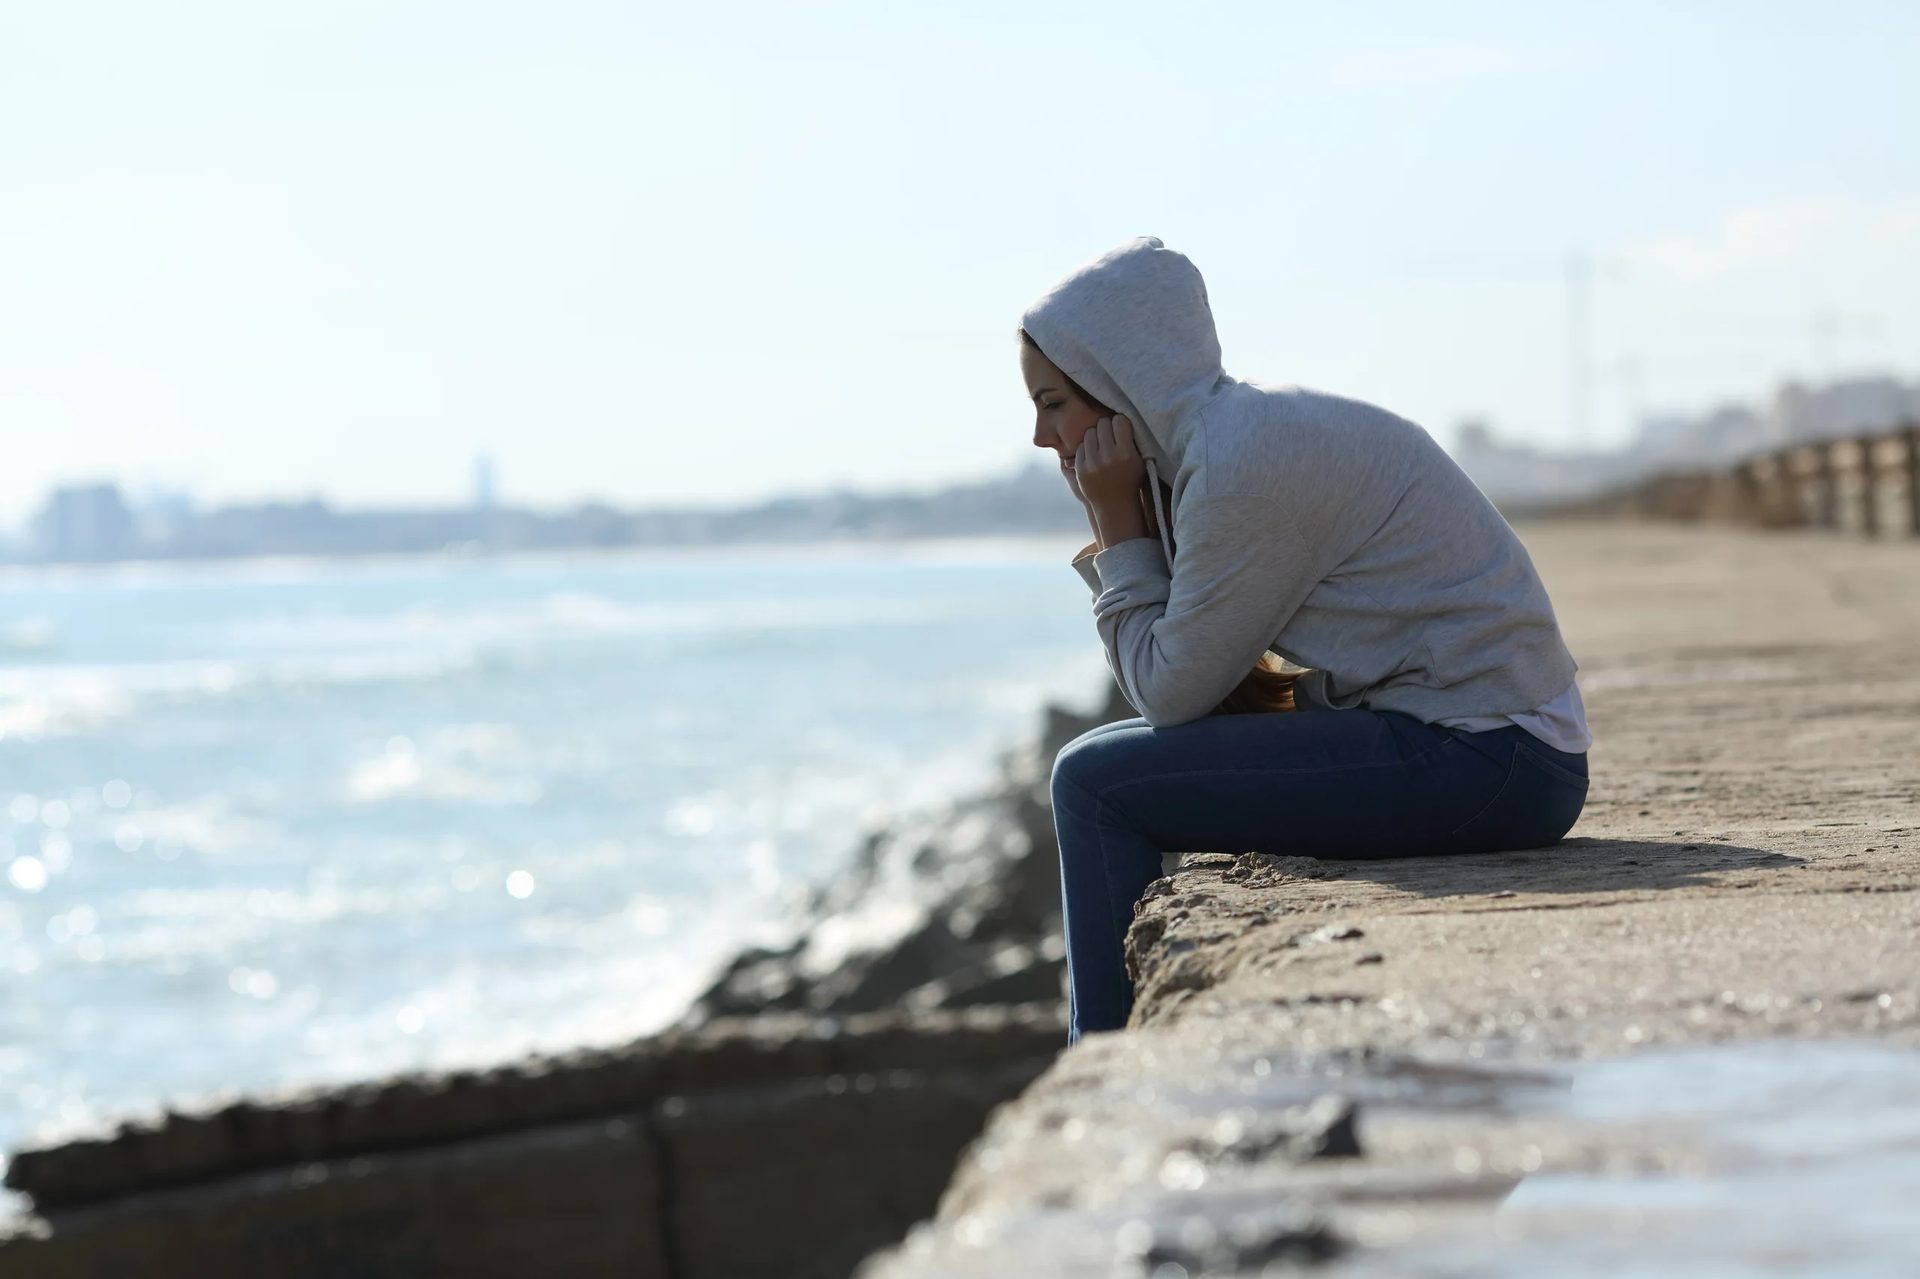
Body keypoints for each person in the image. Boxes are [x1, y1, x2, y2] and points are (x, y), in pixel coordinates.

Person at [1018, 235, 1592, 1045]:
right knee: (1103, 758)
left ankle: (1105, 1064)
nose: (1042, 439)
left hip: (1494, 757)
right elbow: (1205, 684)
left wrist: (1114, 525)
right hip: (1492, 742)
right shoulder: (1218, 446)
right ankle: (1107, 1053)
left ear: (1119, 385)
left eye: (1051, 404)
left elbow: (1170, 692)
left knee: (1092, 782)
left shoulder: (1240, 461)